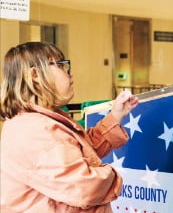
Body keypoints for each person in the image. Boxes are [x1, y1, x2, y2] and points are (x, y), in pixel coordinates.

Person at [0, 42, 139, 212]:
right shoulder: (36, 131)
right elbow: (85, 188)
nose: (70, 73)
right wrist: (112, 175)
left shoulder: (38, 120)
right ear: (35, 75)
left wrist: (115, 116)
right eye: (60, 65)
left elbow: (83, 150)